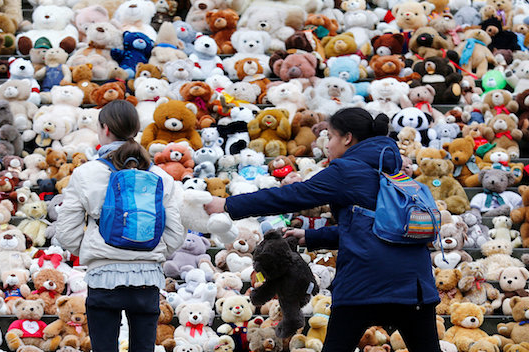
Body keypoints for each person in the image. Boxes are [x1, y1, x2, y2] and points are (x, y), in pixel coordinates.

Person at [205, 108, 441, 352]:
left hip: (364, 284)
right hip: (416, 287)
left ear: (347, 138)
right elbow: (378, 228)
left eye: (330, 136)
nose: (326, 144)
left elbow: (292, 195)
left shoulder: (346, 170)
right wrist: (311, 236)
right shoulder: (392, 169)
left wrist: (227, 204)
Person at [55, 100, 185, 352]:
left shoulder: (86, 173)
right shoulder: (160, 176)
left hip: (103, 277)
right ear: (136, 129)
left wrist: (93, 250)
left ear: (104, 128)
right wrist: (154, 253)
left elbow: (66, 231)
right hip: (147, 278)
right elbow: (176, 231)